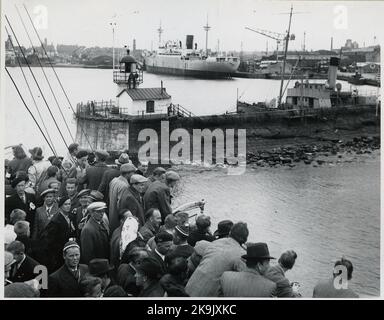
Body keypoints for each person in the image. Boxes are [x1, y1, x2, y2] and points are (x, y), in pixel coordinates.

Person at [185, 222, 249, 297]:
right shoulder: (241, 254)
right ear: (245, 240)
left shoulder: (216, 242)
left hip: (187, 290)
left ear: (230, 233)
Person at [40, 196, 76, 272]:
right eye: (65, 204)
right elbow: (49, 240)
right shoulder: (56, 220)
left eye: (69, 204)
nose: (68, 206)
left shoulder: (70, 216)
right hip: (58, 253)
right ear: (61, 206)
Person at [109, 163, 137, 234]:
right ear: (127, 174)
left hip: (111, 214)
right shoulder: (124, 186)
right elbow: (121, 205)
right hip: (118, 219)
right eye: (133, 173)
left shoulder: (114, 180)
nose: (134, 175)